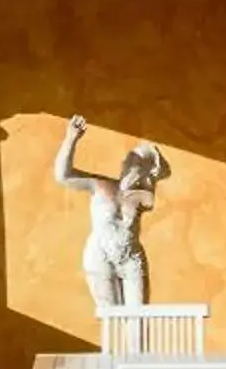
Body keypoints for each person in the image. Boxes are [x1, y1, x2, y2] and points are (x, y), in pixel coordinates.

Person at [54, 115, 168, 308]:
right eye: (130, 159)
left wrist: (150, 176)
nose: (130, 164)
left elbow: (161, 176)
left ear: (144, 173)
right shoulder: (101, 185)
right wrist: (71, 139)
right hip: (101, 253)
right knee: (111, 318)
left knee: (138, 319)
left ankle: (136, 338)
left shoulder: (142, 196)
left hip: (131, 256)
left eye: (138, 164)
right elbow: (62, 175)